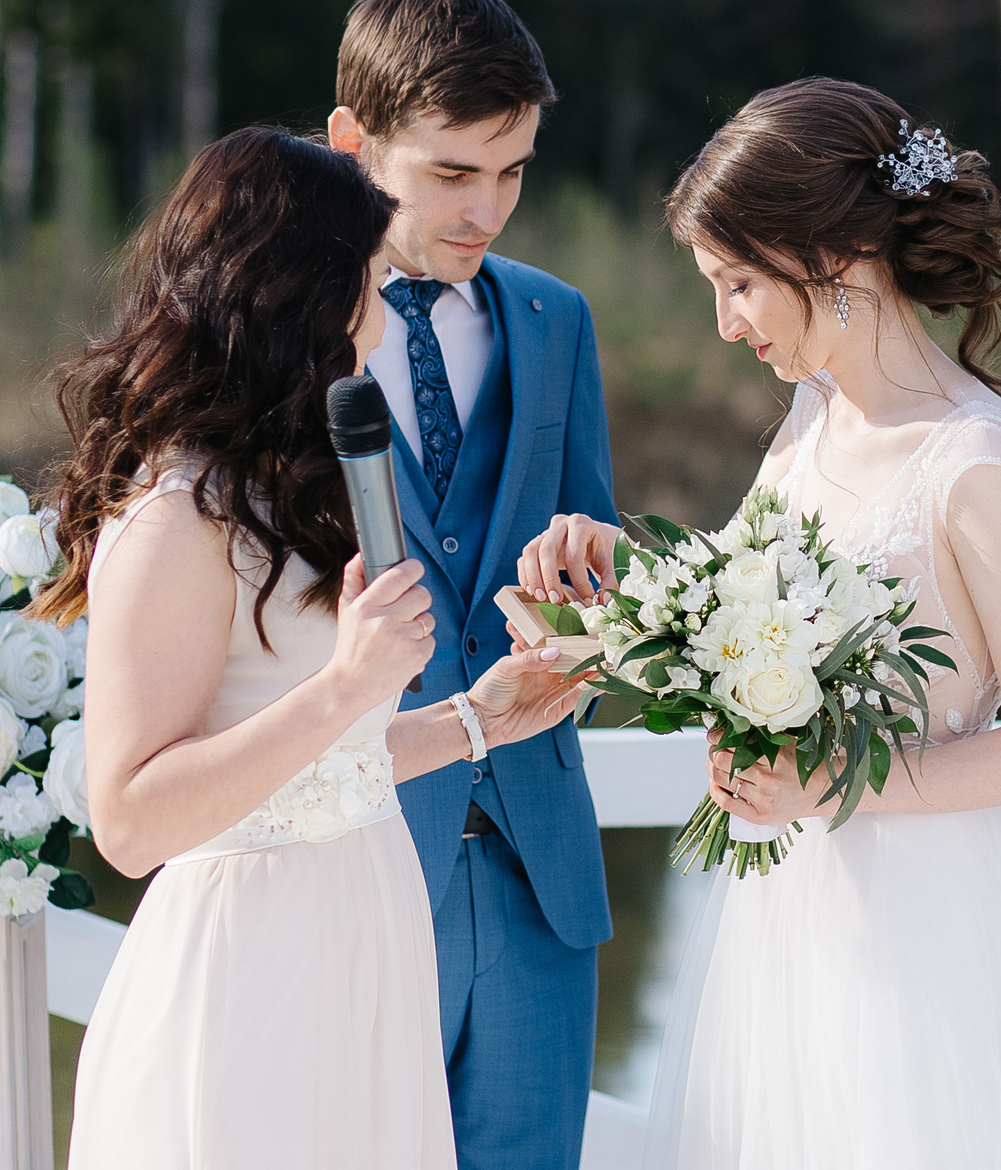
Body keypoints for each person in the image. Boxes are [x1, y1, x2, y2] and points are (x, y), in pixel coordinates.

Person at [520, 79, 1001, 1170]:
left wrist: (827, 785)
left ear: (840, 254)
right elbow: (746, 605)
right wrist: (627, 569)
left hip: (941, 931)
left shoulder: (976, 462)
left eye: (738, 285)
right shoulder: (811, 419)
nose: (724, 324)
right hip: (802, 921)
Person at [38, 126, 592, 1168]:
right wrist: (345, 687)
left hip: (361, 941)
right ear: (298, 294)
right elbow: (128, 819)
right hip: (255, 972)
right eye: (372, 284)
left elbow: (311, 771)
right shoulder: (175, 513)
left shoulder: (277, 487)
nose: (383, 320)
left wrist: (482, 715)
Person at [327, 0, 617, 1170]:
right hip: (356, 845)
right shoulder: (273, 332)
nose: (487, 207)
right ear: (354, 142)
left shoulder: (555, 321)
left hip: (537, 859)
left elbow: (600, 552)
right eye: (453, 173)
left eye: (513, 171)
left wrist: (594, 598)